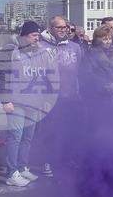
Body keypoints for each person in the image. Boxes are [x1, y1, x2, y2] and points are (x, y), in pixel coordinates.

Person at [0, 21, 54, 187]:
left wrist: (46, 99)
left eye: (38, 35)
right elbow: (1, 76)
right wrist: (5, 99)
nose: (37, 38)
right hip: (16, 102)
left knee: (27, 138)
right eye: (34, 35)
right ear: (25, 35)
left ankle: (22, 167)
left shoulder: (40, 52)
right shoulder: (11, 50)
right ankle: (11, 172)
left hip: (34, 102)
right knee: (15, 137)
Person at [33, 15, 82, 176]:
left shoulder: (74, 47)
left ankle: (66, 160)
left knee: (69, 131)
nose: (63, 30)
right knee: (50, 132)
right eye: (59, 27)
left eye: (64, 27)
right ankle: (48, 161)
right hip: (50, 98)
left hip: (71, 96)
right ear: (50, 28)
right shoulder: (40, 46)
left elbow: (79, 71)